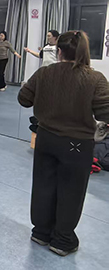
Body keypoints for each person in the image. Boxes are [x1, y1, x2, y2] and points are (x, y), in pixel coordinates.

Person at [18, 31, 109, 257]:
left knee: (43, 185)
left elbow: (24, 99)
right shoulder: (95, 78)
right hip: (77, 145)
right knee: (71, 191)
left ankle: (41, 232)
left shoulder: (44, 73)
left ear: (59, 51)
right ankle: (63, 239)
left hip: (46, 139)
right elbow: (105, 112)